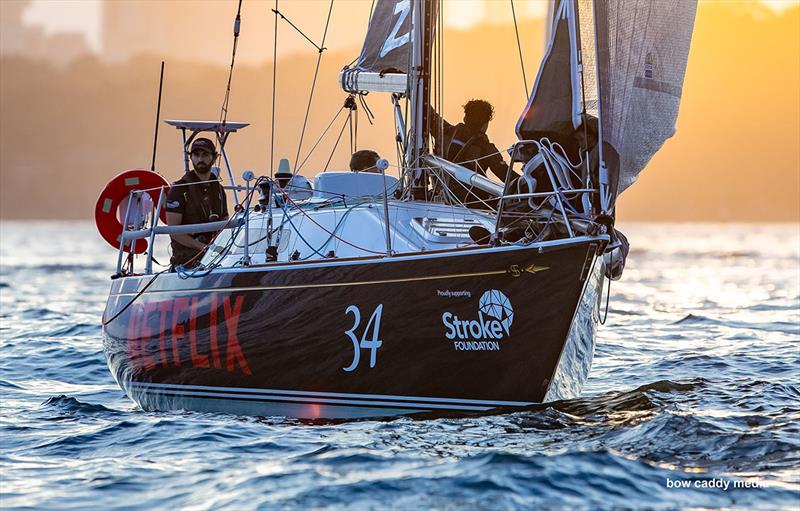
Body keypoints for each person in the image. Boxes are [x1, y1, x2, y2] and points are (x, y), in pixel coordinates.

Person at [165, 137, 229, 268]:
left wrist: (219, 248)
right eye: (196, 155)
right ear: (191, 157)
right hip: (186, 259)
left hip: (214, 258)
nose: (200, 159)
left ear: (214, 157)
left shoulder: (219, 190)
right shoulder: (178, 189)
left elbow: (225, 222)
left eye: (205, 155)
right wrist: (203, 247)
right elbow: (173, 231)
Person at [431, 99, 516, 188]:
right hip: (470, 198)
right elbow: (505, 174)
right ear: (484, 125)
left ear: (465, 118)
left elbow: (432, 117)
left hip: (443, 192)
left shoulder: (445, 132)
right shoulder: (486, 148)